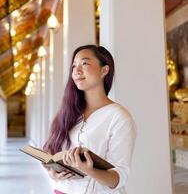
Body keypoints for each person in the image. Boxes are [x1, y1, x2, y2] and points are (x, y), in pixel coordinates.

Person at [43, 45, 137, 194]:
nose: (77, 71)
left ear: (104, 70)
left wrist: (89, 170)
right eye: (74, 66)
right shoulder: (68, 113)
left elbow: (119, 178)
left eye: (84, 63)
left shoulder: (118, 117)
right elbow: (51, 152)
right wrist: (52, 173)